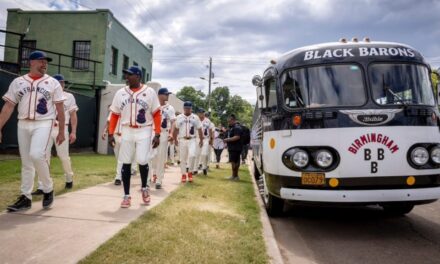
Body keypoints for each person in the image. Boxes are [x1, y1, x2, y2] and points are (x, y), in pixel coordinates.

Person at [0, 51, 66, 211]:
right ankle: (25, 197)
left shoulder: (52, 83)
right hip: (23, 123)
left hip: (44, 122)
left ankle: (48, 188)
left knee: (37, 154)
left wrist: (62, 131)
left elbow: (60, 108)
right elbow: (9, 106)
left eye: (46, 62)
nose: (44, 64)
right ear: (31, 62)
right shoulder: (18, 82)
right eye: (41, 61)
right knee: (26, 162)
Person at [107, 66, 161, 208]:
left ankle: (144, 187)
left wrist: (158, 133)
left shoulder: (149, 92)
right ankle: (126, 195)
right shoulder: (120, 93)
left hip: (144, 129)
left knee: (143, 159)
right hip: (126, 129)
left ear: (138, 76)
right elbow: (114, 114)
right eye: (126, 74)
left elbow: (156, 113)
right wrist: (111, 133)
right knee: (125, 162)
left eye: (129, 75)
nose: (126, 77)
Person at [31, 74, 78, 194]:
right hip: (46, 129)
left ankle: (69, 177)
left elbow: (73, 115)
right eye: (59, 82)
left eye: (62, 83)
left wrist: (73, 131)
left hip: (62, 129)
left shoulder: (69, 96)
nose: (61, 85)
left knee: (63, 156)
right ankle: (42, 186)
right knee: (44, 157)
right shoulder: (45, 95)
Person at [102, 108, 137, 186]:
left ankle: (118, 177)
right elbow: (109, 121)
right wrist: (105, 131)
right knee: (118, 157)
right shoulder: (115, 109)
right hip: (115, 136)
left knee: (121, 157)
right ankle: (123, 173)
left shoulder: (131, 109)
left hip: (125, 136)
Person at [151, 87, 176, 189]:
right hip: (152, 132)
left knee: (161, 156)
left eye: (168, 94)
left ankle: (159, 180)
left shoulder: (170, 108)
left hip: (164, 133)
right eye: (166, 94)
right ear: (160, 95)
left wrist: (171, 134)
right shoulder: (153, 105)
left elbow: (173, 122)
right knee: (152, 155)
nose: (167, 96)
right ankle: (154, 173)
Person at [173, 101, 203, 183]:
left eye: (189, 108)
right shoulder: (179, 117)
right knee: (182, 159)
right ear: (183, 108)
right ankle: (183, 174)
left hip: (192, 139)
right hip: (182, 139)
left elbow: (200, 128)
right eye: (186, 108)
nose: (187, 109)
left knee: (193, 155)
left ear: (191, 108)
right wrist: (174, 139)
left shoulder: (195, 117)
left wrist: (201, 139)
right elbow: (176, 129)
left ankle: (190, 172)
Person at [224, 114, 243, 181]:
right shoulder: (231, 128)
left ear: (233, 120)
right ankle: (234, 176)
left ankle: (235, 176)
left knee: (235, 162)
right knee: (233, 162)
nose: (228, 122)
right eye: (228, 121)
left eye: (229, 121)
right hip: (232, 147)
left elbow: (237, 137)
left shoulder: (237, 128)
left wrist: (227, 140)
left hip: (236, 148)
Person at [196, 109, 214, 175]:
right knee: (197, 154)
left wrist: (211, 139)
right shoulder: (196, 120)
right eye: (200, 113)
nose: (201, 114)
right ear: (198, 113)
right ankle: (196, 168)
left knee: (204, 154)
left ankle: (204, 167)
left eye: (202, 113)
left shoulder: (208, 120)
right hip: (197, 138)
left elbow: (210, 130)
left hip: (206, 139)